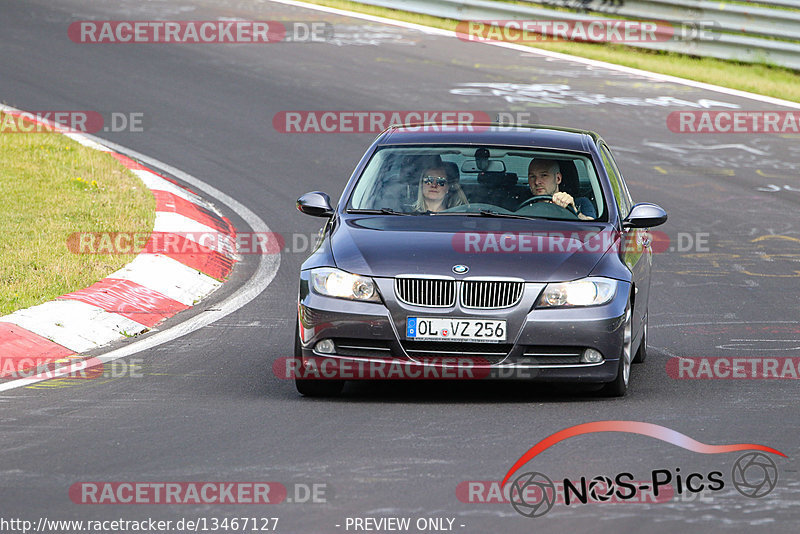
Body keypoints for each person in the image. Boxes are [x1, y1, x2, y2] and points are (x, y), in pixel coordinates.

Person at [527, 159, 596, 220]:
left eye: (544, 175)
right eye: (532, 176)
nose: (536, 182)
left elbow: (593, 228)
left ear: (558, 178)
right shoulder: (521, 202)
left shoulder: (580, 203)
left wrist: (574, 210)